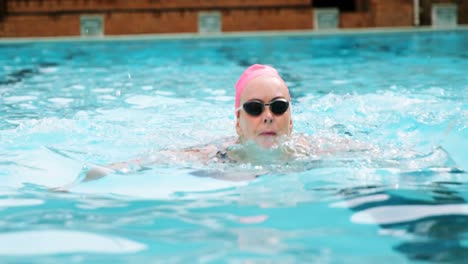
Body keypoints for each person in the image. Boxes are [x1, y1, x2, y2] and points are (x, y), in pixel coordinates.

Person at [78, 64, 369, 184]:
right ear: (238, 123)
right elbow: (154, 160)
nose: (268, 116)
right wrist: (101, 173)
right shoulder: (217, 155)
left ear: (291, 121)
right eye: (255, 109)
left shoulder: (316, 149)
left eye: (279, 107)